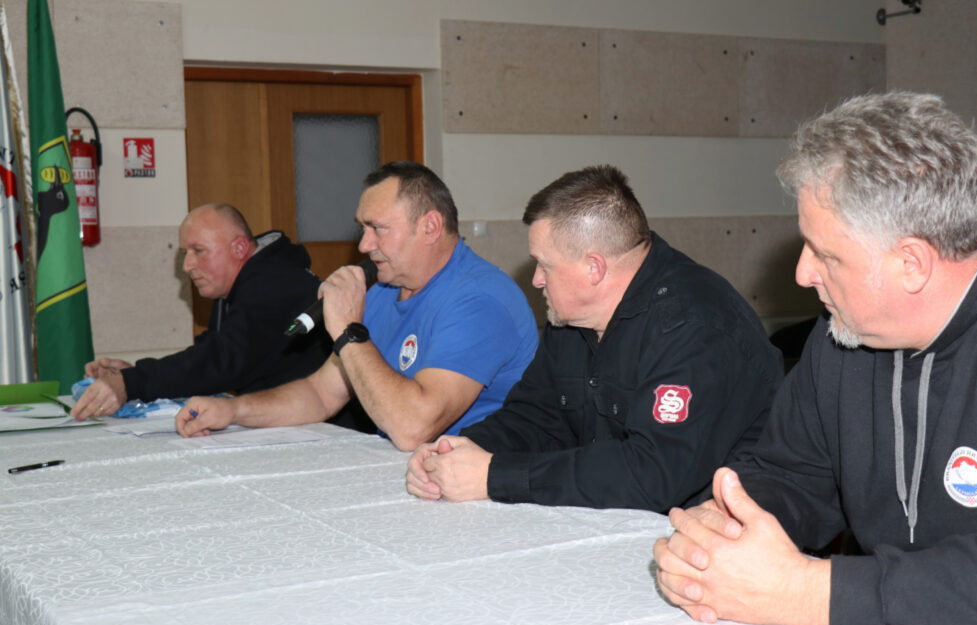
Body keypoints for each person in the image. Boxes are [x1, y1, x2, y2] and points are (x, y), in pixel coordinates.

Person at [654, 92, 977, 625]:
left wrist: (808, 592)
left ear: (911, 263)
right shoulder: (843, 336)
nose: (803, 272)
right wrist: (725, 531)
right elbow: (793, 473)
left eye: (826, 254)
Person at [406, 165, 782, 512]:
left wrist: (495, 476)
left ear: (594, 268)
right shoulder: (572, 317)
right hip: (619, 524)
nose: (536, 279)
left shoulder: (694, 327)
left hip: (723, 535)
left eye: (544, 265)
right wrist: (456, 452)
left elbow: (652, 474)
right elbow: (535, 416)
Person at [175, 161, 538, 451]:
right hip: (413, 473)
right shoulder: (383, 291)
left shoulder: (479, 299)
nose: (364, 245)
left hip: (477, 488)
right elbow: (320, 395)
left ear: (430, 227)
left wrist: (349, 332)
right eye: (362, 228)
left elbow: (413, 429)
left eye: (378, 228)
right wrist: (233, 410)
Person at [71, 203, 332, 420]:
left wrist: (132, 382)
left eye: (199, 251)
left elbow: (220, 361)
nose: (187, 265)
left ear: (239, 248)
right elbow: (207, 358)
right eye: (186, 252)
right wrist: (132, 374)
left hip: (324, 430)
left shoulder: (274, 285)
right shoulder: (238, 283)